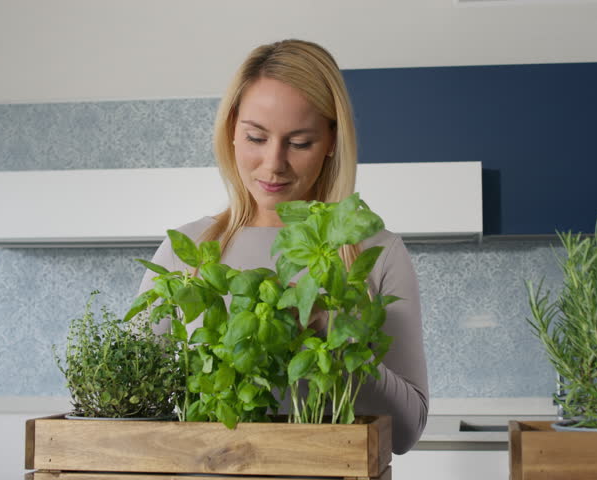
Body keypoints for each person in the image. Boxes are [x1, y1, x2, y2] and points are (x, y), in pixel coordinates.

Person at [137, 39, 428, 454]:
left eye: (299, 143)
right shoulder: (187, 253)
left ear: (331, 140)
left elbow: (407, 431)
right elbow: (132, 409)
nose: (274, 163)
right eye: (256, 137)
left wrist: (330, 331)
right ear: (232, 129)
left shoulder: (373, 254)